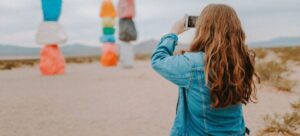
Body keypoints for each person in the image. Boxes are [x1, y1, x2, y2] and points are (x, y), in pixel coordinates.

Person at [151, 4, 259, 136]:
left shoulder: (192, 64)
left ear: (203, 29)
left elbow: (158, 60)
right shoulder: (243, 60)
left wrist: (172, 34)